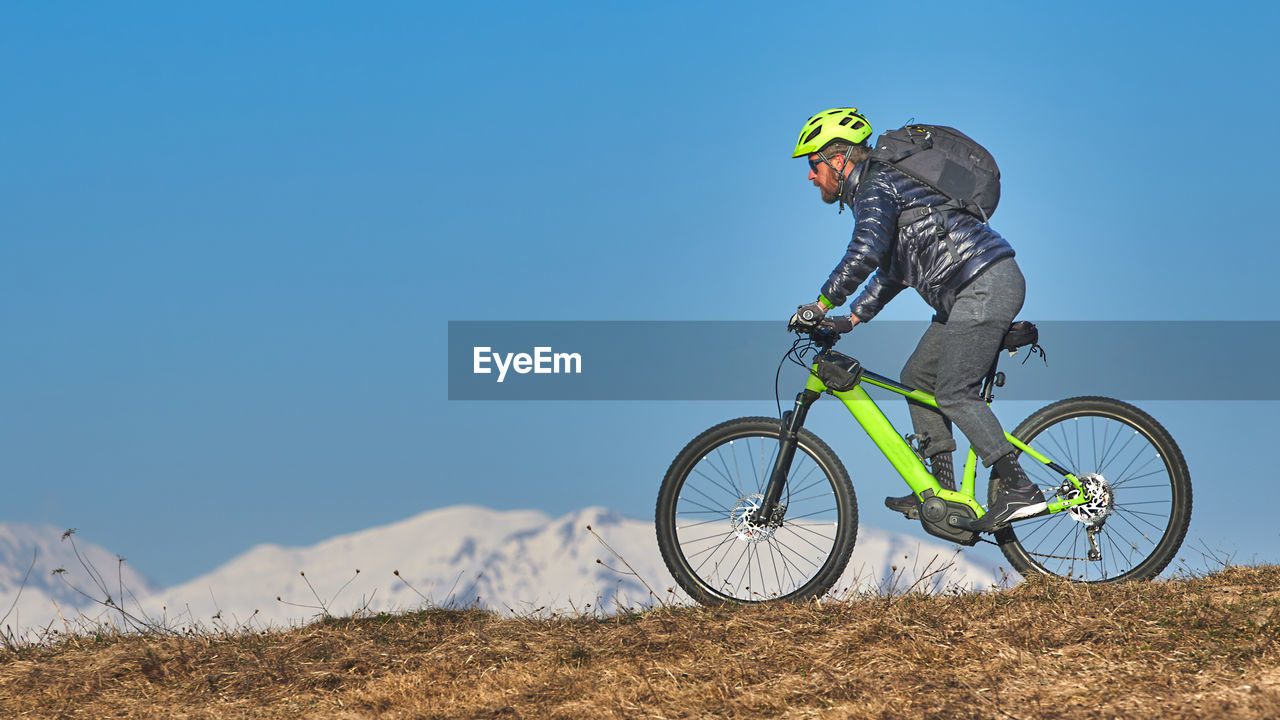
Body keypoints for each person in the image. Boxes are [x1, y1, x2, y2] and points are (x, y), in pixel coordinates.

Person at [787, 107, 1045, 532]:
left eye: (813, 165)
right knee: (917, 376)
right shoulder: (883, 191)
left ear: (837, 159)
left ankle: (1019, 486)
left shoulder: (876, 183)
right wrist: (849, 319)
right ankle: (939, 487)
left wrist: (820, 302)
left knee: (954, 392)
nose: (811, 177)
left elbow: (865, 251)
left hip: (983, 282)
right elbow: (892, 269)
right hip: (964, 293)